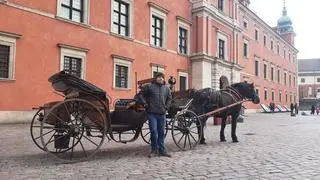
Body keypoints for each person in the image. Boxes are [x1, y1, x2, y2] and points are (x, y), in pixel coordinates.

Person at [139, 72, 172, 158]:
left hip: (162, 113)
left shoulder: (166, 89)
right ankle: (154, 150)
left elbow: (169, 98)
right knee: (153, 131)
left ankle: (162, 150)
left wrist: (167, 107)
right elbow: (141, 95)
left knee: (161, 132)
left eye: (162, 77)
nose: (161, 79)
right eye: (159, 77)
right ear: (155, 78)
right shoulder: (149, 86)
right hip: (152, 113)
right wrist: (145, 104)